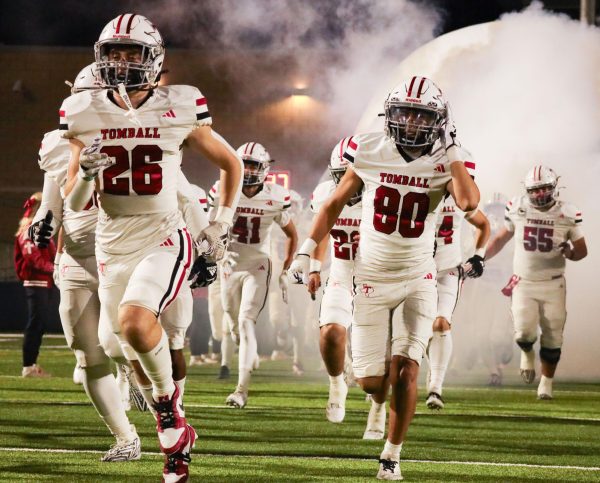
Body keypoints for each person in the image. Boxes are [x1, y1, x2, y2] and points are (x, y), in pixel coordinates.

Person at [61, 13, 242, 482]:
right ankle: (177, 432)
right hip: (111, 241)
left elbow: (231, 164)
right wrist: (85, 174)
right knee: (114, 344)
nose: (122, 64)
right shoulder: (83, 110)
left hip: (163, 234)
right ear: (100, 59)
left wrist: (220, 223)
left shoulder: (179, 104)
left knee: (138, 322)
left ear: (153, 58)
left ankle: (167, 415)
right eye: (114, 53)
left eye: (132, 53)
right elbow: (75, 200)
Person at [290, 76, 480, 480]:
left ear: (438, 121)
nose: (411, 122)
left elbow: (468, 202)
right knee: (372, 381)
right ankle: (375, 403)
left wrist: (453, 155)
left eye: (421, 114)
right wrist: (308, 249)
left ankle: (391, 454)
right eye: (404, 112)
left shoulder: (450, 158)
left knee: (408, 367)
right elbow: (334, 203)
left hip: (418, 276)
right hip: (371, 277)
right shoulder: (371, 149)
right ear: (390, 115)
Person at [29, 63, 143, 461]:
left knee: (116, 340)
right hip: (77, 253)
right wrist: (44, 221)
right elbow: (52, 199)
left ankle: (141, 377)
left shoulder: (135, 134)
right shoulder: (56, 141)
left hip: (124, 249)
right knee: (84, 350)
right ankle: (125, 437)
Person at [484, 165, 587, 399]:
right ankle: (527, 353)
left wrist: (570, 252)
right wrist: (480, 257)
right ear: (528, 191)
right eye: (535, 190)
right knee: (522, 333)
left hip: (553, 284)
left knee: (553, 337)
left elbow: (582, 250)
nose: (540, 194)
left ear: (553, 188)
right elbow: (501, 238)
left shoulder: (567, 213)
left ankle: (546, 384)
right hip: (524, 282)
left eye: (544, 189)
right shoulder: (518, 207)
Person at [209, 142, 298, 409]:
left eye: (253, 165)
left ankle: (241, 389)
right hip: (229, 265)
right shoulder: (224, 189)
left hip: (258, 265)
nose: (247, 170)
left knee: (246, 321)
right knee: (232, 322)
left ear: (264, 169)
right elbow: (210, 226)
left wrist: (286, 268)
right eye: (244, 164)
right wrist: (216, 254)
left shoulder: (275, 196)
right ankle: (243, 349)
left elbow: (293, 234)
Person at [306, 137, 375, 428]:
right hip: (342, 272)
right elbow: (321, 230)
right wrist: (314, 268)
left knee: (372, 371)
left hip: (379, 277)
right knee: (332, 332)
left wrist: (373, 240)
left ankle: (379, 413)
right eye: (341, 176)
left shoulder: (383, 196)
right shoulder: (325, 194)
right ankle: (337, 385)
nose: (348, 183)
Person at [425, 195, 490, 409]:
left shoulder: (461, 199)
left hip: (448, 270)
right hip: (414, 270)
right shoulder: (416, 185)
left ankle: (436, 388)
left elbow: (483, 224)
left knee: (441, 324)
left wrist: (478, 256)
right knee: (412, 331)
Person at [14, 192, 56, 378]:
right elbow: (34, 260)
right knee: (35, 324)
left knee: (39, 324)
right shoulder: (29, 232)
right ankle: (28, 366)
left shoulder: (39, 230)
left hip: (44, 282)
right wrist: (55, 268)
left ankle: (31, 364)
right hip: (36, 282)